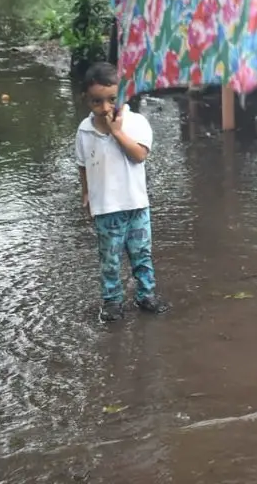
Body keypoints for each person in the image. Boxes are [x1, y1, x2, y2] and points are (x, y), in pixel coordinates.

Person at [75, 62, 170, 322]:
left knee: (142, 254)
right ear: (86, 99)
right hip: (105, 208)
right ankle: (112, 301)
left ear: (124, 95)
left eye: (111, 100)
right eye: (97, 101)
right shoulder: (84, 131)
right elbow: (83, 165)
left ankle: (146, 294)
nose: (105, 108)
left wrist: (117, 132)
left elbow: (139, 155)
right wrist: (86, 195)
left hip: (136, 205)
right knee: (109, 259)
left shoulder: (135, 123)